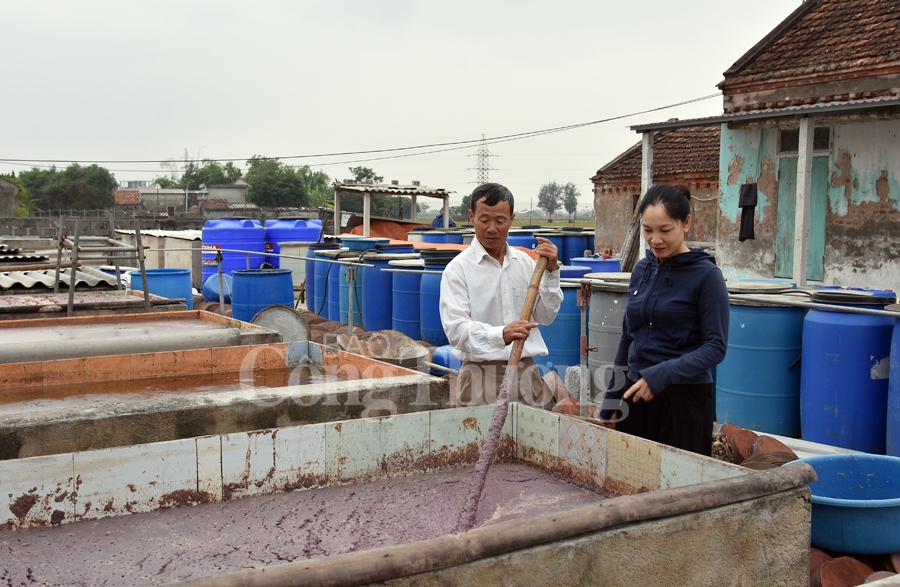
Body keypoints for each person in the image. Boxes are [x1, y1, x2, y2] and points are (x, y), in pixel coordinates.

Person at [598, 184, 728, 456]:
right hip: (635, 395)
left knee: (679, 490)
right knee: (632, 481)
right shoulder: (642, 270)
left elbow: (715, 347)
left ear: (686, 223)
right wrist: (612, 396)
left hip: (683, 401)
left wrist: (660, 375)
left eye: (665, 230)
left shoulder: (706, 276)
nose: (655, 239)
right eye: (648, 230)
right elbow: (628, 337)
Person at [439, 183, 563, 408]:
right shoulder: (458, 269)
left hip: (526, 374)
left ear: (512, 219)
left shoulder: (525, 264)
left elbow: (545, 317)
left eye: (500, 221)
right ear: (471, 216)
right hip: (481, 377)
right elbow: (456, 330)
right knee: (481, 442)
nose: (492, 228)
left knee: (528, 442)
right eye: (484, 220)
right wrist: (501, 334)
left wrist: (552, 273)